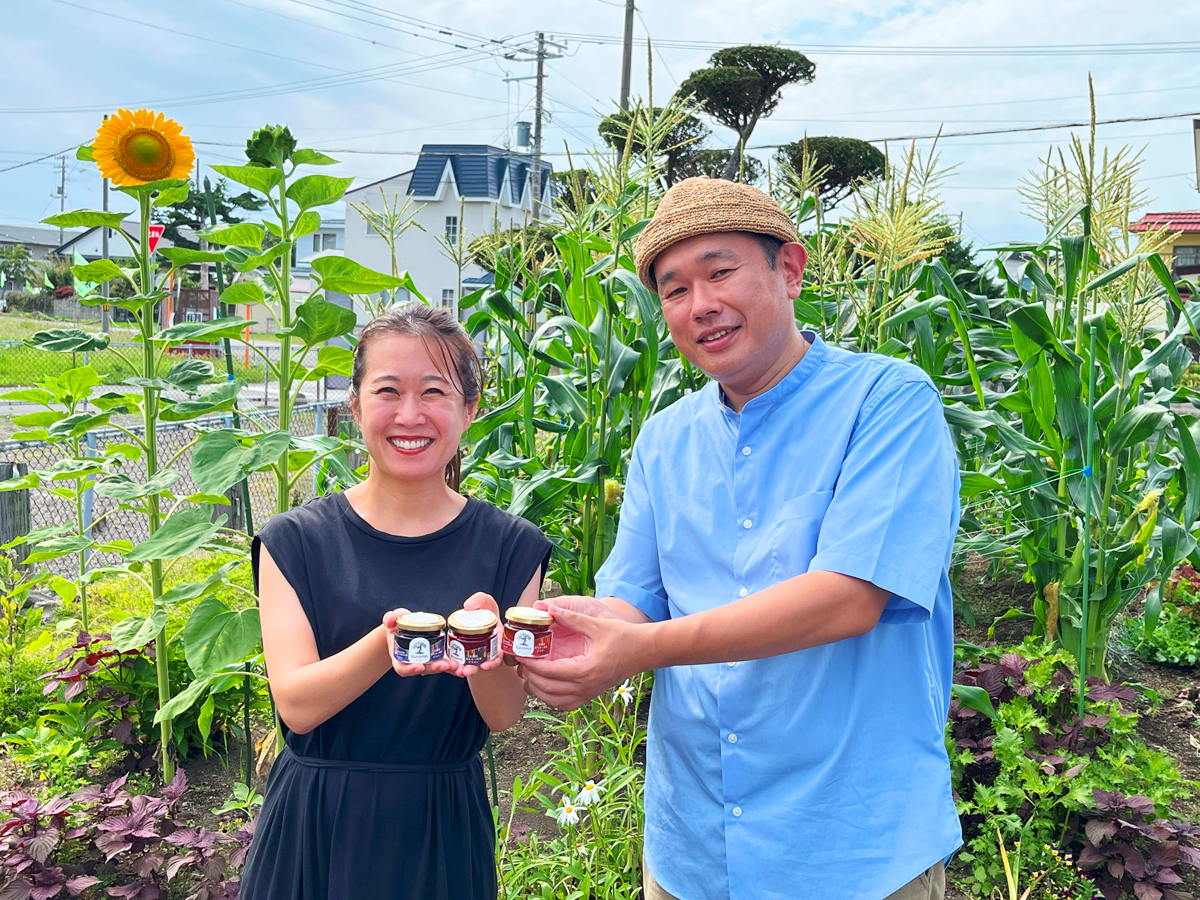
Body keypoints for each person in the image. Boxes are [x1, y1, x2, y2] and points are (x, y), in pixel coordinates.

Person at [518, 177, 961, 900]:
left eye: (720, 272)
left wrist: (640, 650)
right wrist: (558, 634)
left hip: (849, 848)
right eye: (674, 290)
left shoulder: (887, 401)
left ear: (789, 270)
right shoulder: (664, 440)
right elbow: (633, 602)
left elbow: (848, 599)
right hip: (692, 848)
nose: (701, 306)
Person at [241, 303, 551, 900]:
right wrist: (389, 644)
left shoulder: (510, 547)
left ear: (469, 409)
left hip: (440, 825)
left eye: (435, 391)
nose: (411, 415)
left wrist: (483, 650)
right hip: (317, 823)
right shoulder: (295, 541)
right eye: (388, 390)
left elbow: (503, 714)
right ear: (354, 405)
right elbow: (297, 705)